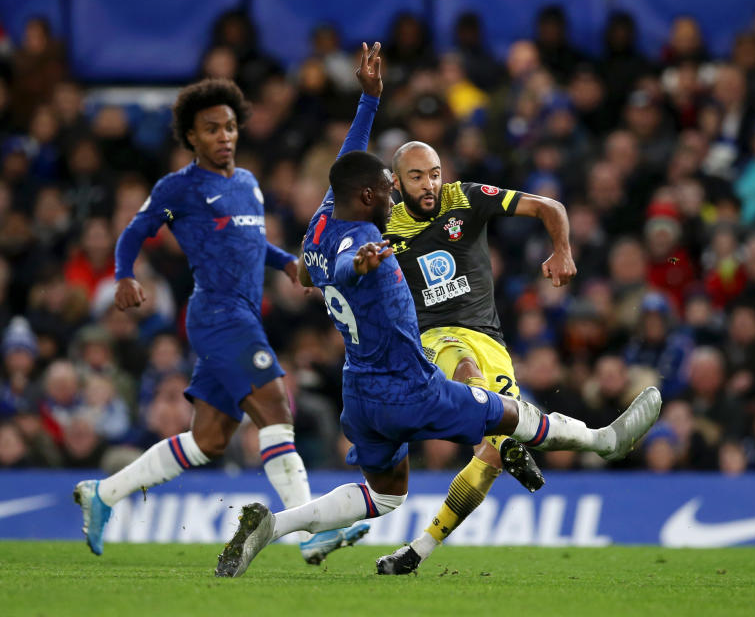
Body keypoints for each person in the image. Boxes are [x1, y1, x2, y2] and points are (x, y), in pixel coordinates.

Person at [213, 149, 662, 578]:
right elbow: (350, 262)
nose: (424, 186)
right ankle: (604, 440)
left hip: (362, 390)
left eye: (434, 173)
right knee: (507, 411)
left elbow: (312, 270)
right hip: (413, 375)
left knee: (385, 496)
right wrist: (360, 262)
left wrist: (369, 100)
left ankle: (273, 526)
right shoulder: (374, 236)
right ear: (380, 189)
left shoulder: (339, 230)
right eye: (406, 181)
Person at [73, 43, 386, 564]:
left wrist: (285, 260)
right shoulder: (180, 187)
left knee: (210, 440)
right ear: (191, 136)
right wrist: (124, 274)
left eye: (230, 127)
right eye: (212, 129)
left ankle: (101, 494)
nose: (225, 136)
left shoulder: (247, 184)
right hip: (217, 313)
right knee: (275, 406)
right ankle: (308, 528)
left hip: (242, 311)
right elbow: (134, 230)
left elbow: (247, 243)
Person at [375, 139, 577, 574]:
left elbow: (549, 206)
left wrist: (562, 249)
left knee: (487, 458)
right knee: (465, 370)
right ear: (395, 182)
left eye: (434, 172)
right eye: (416, 176)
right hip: (432, 336)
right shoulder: (383, 227)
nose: (429, 184)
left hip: (490, 338)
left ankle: (417, 552)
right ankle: (509, 442)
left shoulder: (463, 198)